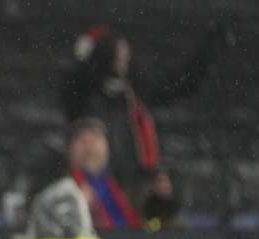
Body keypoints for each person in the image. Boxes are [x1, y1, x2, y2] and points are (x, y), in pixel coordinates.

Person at [60, 23, 229, 223]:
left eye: (125, 53)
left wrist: (207, 51)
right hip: (96, 190)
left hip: (135, 188)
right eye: (117, 53)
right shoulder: (82, 95)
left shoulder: (134, 92)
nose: (123, 59)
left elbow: (183, 83)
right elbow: (75, 86)